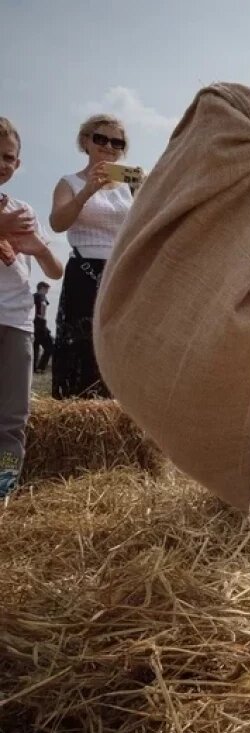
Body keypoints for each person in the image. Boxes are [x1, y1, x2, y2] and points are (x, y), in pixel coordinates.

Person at [47, 114, 134, 398]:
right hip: (84, 269)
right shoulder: (69, 182)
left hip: (121, 270)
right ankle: (76, 400)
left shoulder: (131, 182)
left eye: (117, 142)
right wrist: (87, 191)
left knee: (120, 342)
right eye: (101, 138)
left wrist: (147, 187)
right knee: (81, 343)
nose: (108, 146)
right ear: (86, 141)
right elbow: (58, 223)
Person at [0, 117, 65, 497]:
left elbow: (54, 269)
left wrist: (38, 247)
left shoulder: (22, 209)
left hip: (18, 322)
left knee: (12, 419)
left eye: (9, 157)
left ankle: (4, 485)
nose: (3, 164)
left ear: (18, 164)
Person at [32, 281, 53, 373]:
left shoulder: (32, 296)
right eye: (47, 289)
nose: (48, 291)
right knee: (50, 347)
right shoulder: (41, 295)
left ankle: (34, 368)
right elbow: (43, 304)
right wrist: (42, 316)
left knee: (35, 347)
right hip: (40, 324)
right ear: (43, 288)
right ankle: (41, 367)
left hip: (32, 324)